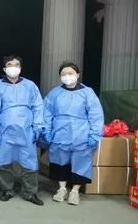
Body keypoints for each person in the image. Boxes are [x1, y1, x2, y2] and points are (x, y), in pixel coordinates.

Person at [43, 62, 104, 205]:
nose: (67, 76)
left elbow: (96, 114)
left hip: (81, 133)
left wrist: (94, 134)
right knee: (59, 161)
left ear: (77, 74)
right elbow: (46, 113)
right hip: (59, 133)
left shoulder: (87, 93)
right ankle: (62, 189)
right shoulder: (55, 93)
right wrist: (47, 131)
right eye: (63, 74)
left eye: (70, 73)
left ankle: (75, 191)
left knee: (81, 162)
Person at [0, 55, 44, 206]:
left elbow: (38, 107)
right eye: (10, 64)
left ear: (20, 68)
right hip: (5, 131)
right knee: (4, 162)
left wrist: (38, 127)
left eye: (16, 64)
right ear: (4, 68)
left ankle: (30, 192)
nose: (13, 67)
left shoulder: (30, 86)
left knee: (29, 163)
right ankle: (6, 190)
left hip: (27, 131)